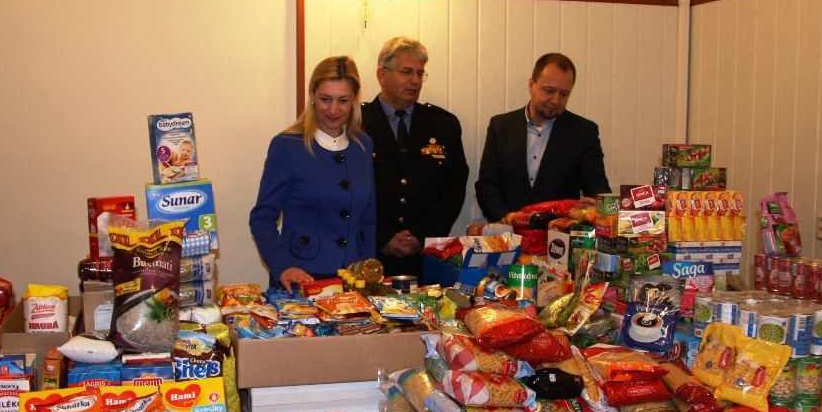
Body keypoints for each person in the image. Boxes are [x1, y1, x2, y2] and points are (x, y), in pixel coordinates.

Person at [250, 56, 376, 291]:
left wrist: (369, 270)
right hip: (301, 278)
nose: (333, 109)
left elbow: (368, 220)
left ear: (354, 100)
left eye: (343, 100)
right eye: (325, 99)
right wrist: (283, 266)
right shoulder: (287, 145)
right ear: (312, 96)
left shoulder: (363, 146)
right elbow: (262, 218)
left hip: (353, 278)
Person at [361, 37, 469, 278]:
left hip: (425, 257)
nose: (415, 81)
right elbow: (348, 191)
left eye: (420, 73)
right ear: (382, 75)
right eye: (406, 72)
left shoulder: (444, 125)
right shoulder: (357, 123)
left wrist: (422, 235)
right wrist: (381, 236)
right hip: (370, 255)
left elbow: (454, 188)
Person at [475, 52, 611, 223]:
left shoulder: (584, 132)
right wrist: (506, 221)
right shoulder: (501, 126)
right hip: (508, 232)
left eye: (564, 94)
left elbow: (597, 188)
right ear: (532, 84)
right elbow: (487, 185)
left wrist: (601, 212)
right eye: (549, 91)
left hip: (559, 233)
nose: (556, 100)